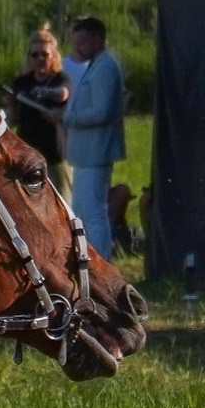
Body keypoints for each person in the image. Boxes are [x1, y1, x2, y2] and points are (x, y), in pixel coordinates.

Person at [62, 14, 127, 249]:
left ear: (98, 39)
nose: (78, 49)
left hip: (95, 152)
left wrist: (68, 118)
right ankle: (89, 257)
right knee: (82, 210)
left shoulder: (105, 68)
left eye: (83, 43)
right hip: (86, 153)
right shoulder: (97, 65)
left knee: (94, 213)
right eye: (76, 43)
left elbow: (101, 112)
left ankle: (100, 258)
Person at [5, 27, 72, 196]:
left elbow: (63, 94)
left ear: (53, 56)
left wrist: (45, 93)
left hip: (55, 154)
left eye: (45, 55)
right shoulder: (21, 83)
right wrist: (9, 106)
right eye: (35, 55)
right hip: (27, 153)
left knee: (62, 199)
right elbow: (13, 118)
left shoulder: (60, 79)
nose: (40, 59)